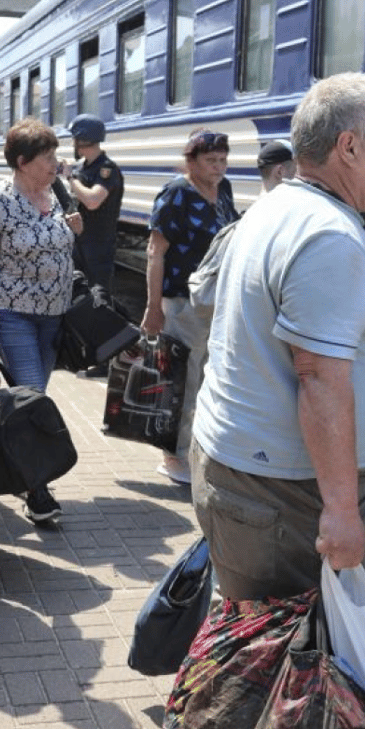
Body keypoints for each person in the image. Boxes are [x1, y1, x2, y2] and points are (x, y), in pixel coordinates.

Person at [190, 72, 365, 601]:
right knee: (292, 663)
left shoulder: (275, 207)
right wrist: (340, 512)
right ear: (349, 147)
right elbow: (317, 376)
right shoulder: (329, 237)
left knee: (259, 648)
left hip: (255, 478)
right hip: (289, 498)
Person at [0, 118, 83, 523]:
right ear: (22, 162)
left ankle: (20, 472)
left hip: (54, 315)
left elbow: (60, 242)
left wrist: (74, 229)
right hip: (13, 314)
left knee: (35, 395)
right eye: (48, 158)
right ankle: (36, 488)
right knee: (32, 398)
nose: (56, 164)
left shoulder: (55, 195)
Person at [143, 128, 239, 484]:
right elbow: (156, 252)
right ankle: (173, 456)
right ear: (192, 161)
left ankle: (197, 446)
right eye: (211, 160)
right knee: (181, 380)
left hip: (216, 300)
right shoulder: (176, 194)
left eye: (223, 160)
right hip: (181, 302)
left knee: (208, 378)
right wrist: (154, 307)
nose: (219, 167)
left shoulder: (224, 190)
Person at [63, 114, 124, 294]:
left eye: (75, 138)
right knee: (76, 294)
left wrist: (69, 177)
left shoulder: (107, 169)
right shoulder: (83, 168)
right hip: (80, 242)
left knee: (98, 298)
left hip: (98, 246)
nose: (73, 143)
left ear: (83, 139)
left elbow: (92, 201)